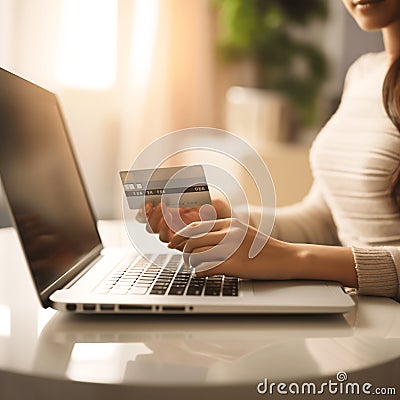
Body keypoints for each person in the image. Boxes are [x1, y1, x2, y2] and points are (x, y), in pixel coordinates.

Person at [142, 0, 400, 300]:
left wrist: (291, 258)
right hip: (359, 313)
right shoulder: (364, 73)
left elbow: (302, 252)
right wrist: (231, 218)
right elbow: (327, 220)